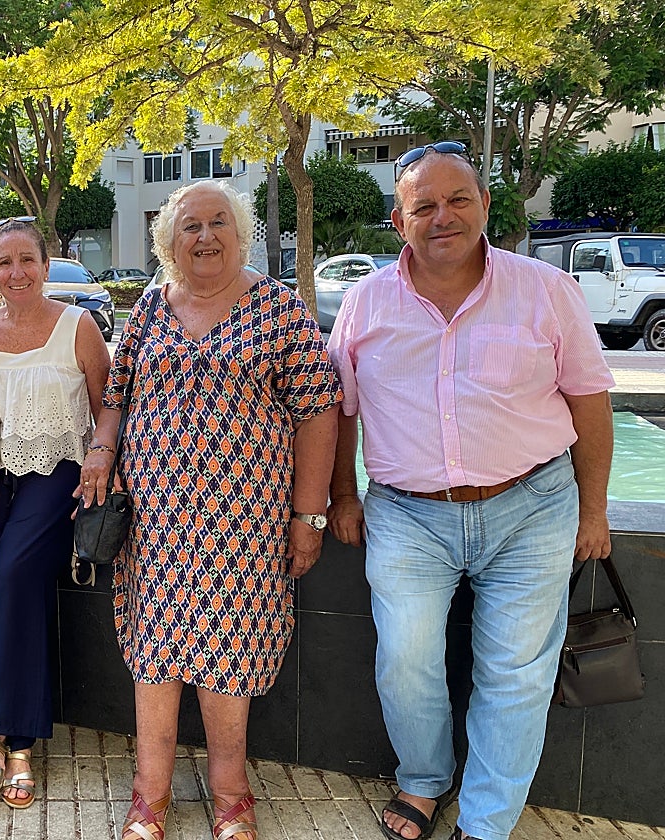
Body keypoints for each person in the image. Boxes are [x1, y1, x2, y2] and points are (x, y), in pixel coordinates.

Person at [326, 143, 615, 840]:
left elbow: (590, 402)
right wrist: (342, 495)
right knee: (406, 658)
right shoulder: (365, 303)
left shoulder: (547, 290)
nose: (443, 216)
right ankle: (424, 781)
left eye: (458, 199)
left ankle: (485, 823)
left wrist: (595, 508)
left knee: (516, 672)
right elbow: (339, 412)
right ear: (400, 222)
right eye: (423, 205)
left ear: (486, 205)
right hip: (408, 515)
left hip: (532, 506)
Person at [79, 180, 341, 840]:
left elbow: (318, 413)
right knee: (156, 652)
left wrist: (308, 516)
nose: (204, 236)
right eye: (189, 226)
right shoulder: (148, 308)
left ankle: (230, 792)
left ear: (239, 231)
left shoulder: (279, 309)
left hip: (245, 525)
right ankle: (150, 794)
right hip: (158, 523)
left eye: (217, 222)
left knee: (232, 654)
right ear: (169, 240)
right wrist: (103, 445)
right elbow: (116, 394)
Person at [0, 217, 110, 809]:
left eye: (27, 260)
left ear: (46, 266)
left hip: (58, 473)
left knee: (18, 574)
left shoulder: (77, 326)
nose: (16, 273)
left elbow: (108, 406)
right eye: (3, 263)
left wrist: (105, 460)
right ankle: (10, 725)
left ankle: (6, 737)